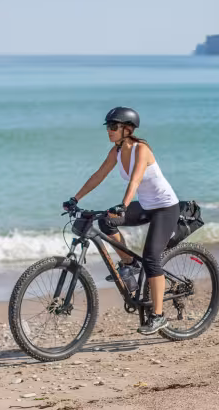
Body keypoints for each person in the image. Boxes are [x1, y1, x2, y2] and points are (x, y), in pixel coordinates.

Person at [62, 106, 179, 335]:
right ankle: (129, 263)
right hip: (146, 206)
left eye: (113, 127)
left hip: (165, 208)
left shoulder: (141, 149)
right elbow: (98, 175)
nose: (109, 131)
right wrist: (75, 198)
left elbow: (134, 181)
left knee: (152, 259)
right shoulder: (116, 151)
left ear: (128, 129)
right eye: (108, 127)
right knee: (107, 221)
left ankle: (159, 316)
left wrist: (123, 205)